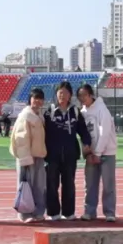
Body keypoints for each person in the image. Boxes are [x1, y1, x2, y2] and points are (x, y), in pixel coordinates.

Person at [44, 81, 92, 221]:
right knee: (51, 184)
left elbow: (83, 130)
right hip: (52, 155)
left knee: (69, 184)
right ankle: (53, 213)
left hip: (70, 154)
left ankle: (68, 212)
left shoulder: (75, 111)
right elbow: (42, 131)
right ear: (56, 94)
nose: (62, 95)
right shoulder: (50, 111)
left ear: (70, 95)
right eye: (60, 93)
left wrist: (87, 143)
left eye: (65, 93)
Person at [78, 84, 117, 222]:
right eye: (80, 96)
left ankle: (109, 212)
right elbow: (83, 134)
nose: (82, 98)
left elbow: (104, 132)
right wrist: (88, 152)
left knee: (108, 185)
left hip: (106, 153)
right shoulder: (82, 112)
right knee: (90, 184)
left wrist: (98, 153)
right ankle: (89, 211)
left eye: (85, 95)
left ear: (91, 95)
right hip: (91, 154)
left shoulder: (102, 109)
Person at [9, 88, 48, 223]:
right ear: (30, 99)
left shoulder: (40, 116)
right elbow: (21, 138)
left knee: (39, 186)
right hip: (27, 157)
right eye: (35, 98)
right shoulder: (25, 116)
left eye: (40, 98)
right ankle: (24, 214)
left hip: (38, 156)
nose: (37, 101)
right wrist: (25, 158)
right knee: (26, 185)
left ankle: (38, 212)